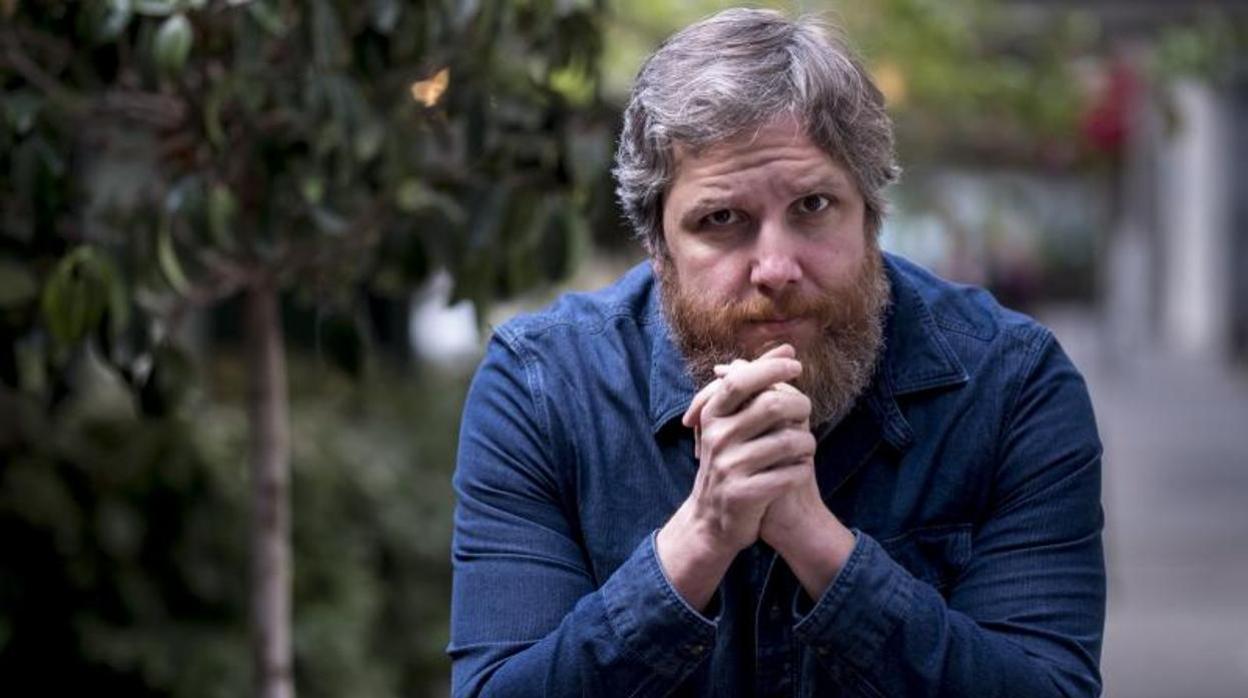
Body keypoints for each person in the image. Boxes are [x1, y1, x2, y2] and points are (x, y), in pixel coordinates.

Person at [448, 8, 1106, 697]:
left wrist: (821, 546)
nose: (776, 269)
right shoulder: (545, 388)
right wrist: (700, 539)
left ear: (870, 214)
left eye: (813, 206)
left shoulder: (1011, 385)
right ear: (658, 245)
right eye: (721, 219)